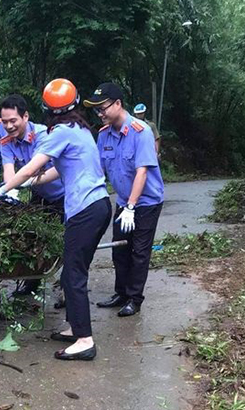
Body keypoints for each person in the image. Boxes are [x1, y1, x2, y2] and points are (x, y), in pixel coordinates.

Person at [0, 79, 111, 361]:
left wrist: (5, 189)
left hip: (84, 209)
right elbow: (58, 170)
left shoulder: (58, 133)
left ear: (44, 109)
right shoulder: (80, 129)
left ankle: (84, 341)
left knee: (73, 275)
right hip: (100, 205)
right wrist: (31, 184)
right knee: (72, 272)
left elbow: (31, 165)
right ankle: (75, 327)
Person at [84, 83, 164, 317]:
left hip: (146, 203)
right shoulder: (104, 134)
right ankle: (121, 293)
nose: (100, 114)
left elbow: (142, 172)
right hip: (122, 201)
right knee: (120, 249)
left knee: (139, 251)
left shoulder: (141, 132)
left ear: (118, 104)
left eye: (103, 108)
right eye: (96, 110)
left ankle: (135, 298)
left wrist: (131, 206)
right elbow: (99, 169)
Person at [0, 94, 65, 297]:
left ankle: (66, 288)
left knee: (67, 242)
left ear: (25, 117)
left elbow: (32, 169)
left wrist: (18, 183)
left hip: (63, 195)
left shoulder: (44, 135)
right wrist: (12, 190)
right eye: (4, 122)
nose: (9, 126)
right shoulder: (6, 142)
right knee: (34, 239)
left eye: (13, 121)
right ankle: (32, 283)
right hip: (39, 196)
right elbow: (9, 170)